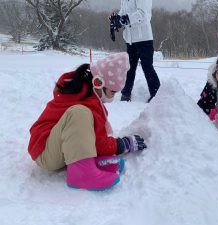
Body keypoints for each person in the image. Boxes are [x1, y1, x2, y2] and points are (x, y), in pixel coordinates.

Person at [28, 52, 147, 191]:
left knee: (81, 114)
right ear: (98, 83)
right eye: (112, 92)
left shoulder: (87, 95)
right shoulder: (85, 103)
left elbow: (86, 139)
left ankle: (88, 163)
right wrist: (122, 144)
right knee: (79, 113)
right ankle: (82, 174)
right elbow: (98, 142)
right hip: (45, 152)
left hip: (59, 149)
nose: (112, 98)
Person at [109, 0, 160, 103]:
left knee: (147, 67)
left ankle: (157, 95)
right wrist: (116, 20)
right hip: (130, 39)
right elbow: (124, 12)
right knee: (129, 67)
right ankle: (126, 93)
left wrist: (123, 20)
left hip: (144, 39)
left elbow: (143, 14)